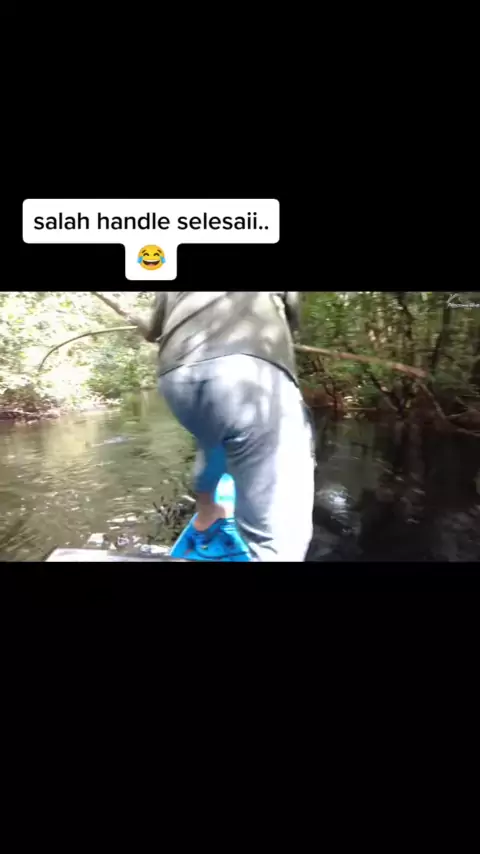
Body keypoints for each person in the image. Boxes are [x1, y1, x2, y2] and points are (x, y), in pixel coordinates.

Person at [132, 292, 315, 561]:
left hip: (177, 379)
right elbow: (292, 313)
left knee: (211, 442)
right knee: (280, 532)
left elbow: (152, 330)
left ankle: (207, 513)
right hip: (246, 372)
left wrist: (141, 321)